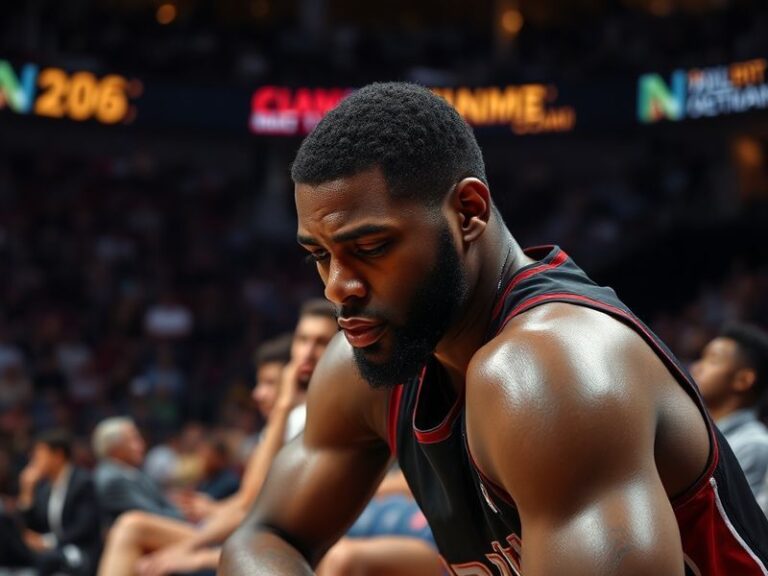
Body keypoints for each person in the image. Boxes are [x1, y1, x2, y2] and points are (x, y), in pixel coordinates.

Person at [220, 82, 768, 576]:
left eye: (371, 247)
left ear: (467, 211)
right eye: (320, 255)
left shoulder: (551, 369)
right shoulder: (377, 361)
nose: (337, 287)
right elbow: (263, 537)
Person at [96, 301, 338, 576]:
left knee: (132, 527)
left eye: (320, 342)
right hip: (252, 536)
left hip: (271, 545)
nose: (307, 352)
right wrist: (214, 510)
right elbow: (249, 501)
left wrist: (193, 550)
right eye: (302, 340)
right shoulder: (288, 417)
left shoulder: (310, 415)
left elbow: (252, 503)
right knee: (132, 529)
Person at [0, 429, 101, 576]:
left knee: (45, 561)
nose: (34, 461)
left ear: (58, 455)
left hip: (79, 550)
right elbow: (30, 527)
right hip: (51, 550)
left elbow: (84, 528)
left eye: (39, 455)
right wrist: (26, 493)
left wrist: (47, 542)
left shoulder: (83, 482)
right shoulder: (43, 487)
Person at [691, 324, 768, 500]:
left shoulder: (753, 446)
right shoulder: (697, 436)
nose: (696, 368)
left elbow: (738, 517)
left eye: (712, 360)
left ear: (743, 380)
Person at [92, 417, 182, 525]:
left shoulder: (132, 472)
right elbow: (155, 517)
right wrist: (184, 514)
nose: (142, 445)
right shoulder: (113, 481)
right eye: (134, 439)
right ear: (113, 447)